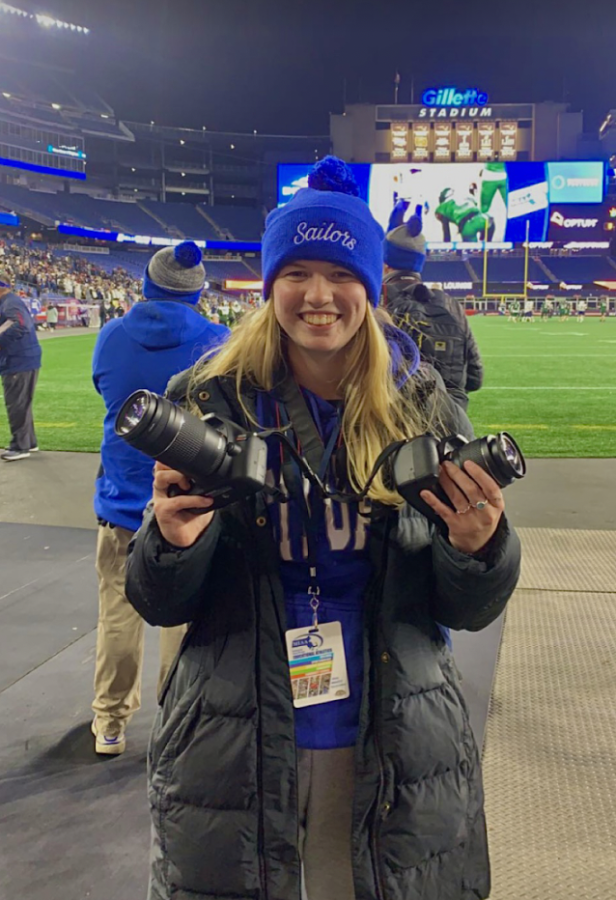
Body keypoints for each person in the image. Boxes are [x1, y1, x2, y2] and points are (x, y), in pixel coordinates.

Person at [125, 157, 521, 900]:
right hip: (236, 740)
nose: (318, 296)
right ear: (269, 284)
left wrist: (482, 551)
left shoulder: (423, 408)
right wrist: (171, 545)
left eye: (340, 274)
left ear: (368, 290)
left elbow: (468, 610)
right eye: (296, 272)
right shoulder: (208, 401)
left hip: (391, 736)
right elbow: (162, 601)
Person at [91, 241, 229, 755]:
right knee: (182, 621)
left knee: (117, 619)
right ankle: (176, 723)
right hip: (185, 510)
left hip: (121, 503)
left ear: (148, 284)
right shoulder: (217, 340)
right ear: (196, 292)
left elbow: (105, 387)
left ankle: (110, 723)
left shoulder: (111, 336)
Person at [382, 199, 484, 410]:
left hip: (395, 427)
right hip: (450, 427)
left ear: (384, 264)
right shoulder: (451, 305)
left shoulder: (378, 303)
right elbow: (475, 378)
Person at [0, 268, 41, 461]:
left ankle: (19, 446)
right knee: (22, 403)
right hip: (25, 359)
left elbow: (18, 325)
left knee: (16, 403)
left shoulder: (9, 304)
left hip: (18, 360)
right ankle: (29, 442)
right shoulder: (11, 302)